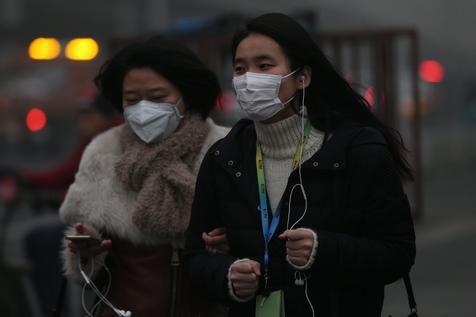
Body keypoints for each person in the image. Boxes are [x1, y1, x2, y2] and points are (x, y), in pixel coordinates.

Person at [184, 13, 416, 317]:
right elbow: (194, 257)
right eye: (240, 68)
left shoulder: (356, 149)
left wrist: (324, 249)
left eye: (264, 66)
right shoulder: (224, 157)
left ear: (302, 77)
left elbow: (397, 252)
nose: (248, 78)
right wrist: (226, 274)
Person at [60, 36, 229, 317]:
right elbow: (85, 274)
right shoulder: (104, 152)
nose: (143, 109)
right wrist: (87, 252)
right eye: (132, 100)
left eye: (157, 97)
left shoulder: (223, 149)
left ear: (187, 95)